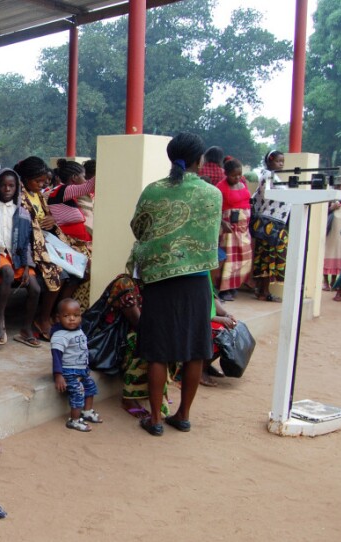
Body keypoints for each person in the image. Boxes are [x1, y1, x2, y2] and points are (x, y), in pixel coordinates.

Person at [130, 132, 222, 436]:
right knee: (195, 349)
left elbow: (138, 227)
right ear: (200, 160)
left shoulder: (153, 191)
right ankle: (183, 415)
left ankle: (155, 419)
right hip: (197, 281)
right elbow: (212, 234)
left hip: (159, 279)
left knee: (158, 350)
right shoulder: (212, 194)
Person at [15, 156, 89, 338]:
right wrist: (39, 225)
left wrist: (51, 220)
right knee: (58, 274)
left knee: (78, 271)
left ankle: (58, 314)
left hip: (48, 241)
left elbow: (48, 217)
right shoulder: (20, 197)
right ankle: (43, 318)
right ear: (25, 179)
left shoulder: (38, 195)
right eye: (38, 181)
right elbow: (21, 225)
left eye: (44, 181)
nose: (42, 184)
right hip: (31, 245)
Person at [0, 168, 40, 346]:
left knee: (35, 289)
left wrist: (27, 266)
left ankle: (26, 329)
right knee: (8, 274)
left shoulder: (23, 213)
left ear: (17, 188)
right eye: (3, 185)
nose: (7, 189)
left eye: (11, 185)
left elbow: (26, 242)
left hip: (18, 257)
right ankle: (0, 318)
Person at [51, 298, 101, 432]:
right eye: (67, 316)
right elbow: (56, 357)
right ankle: (74, 420)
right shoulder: (60, 336)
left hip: (82, 369)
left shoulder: (78, 330)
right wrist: (58, 375)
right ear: (58, 318)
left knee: (90, 387)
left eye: (76, 315)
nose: (72, 319)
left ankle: (87, 411)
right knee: (78, 392)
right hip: (69, 371)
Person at [251, 150, 288, 302]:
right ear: (270, 161)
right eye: (278, 161)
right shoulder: (267, 175)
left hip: (272, 223)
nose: (281, 164)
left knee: (266, 257)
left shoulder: (272, 176)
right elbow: (266, 194)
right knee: (268, 257)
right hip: (269, 225)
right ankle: (263, 291)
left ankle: (262, 290)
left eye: (282, 161)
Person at [216, 157, 252, 301]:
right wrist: (222, 223)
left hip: (243, 228)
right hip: (229, 228)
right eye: (234, 175)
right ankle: (224, 289)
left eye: (239, 174)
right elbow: (215, 207)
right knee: (229, 259)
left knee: (244, 257)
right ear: (226, 173)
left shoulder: (243, 183)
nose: (237, 177)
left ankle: (235, 285)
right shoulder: (221, 187)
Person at [45, 159, 95, 243]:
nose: (86, 180)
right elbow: (88, 187)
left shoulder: (62, 191)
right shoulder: (65, 190)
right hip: (71, 243)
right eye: (84, 177)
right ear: (74, 177)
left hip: (77, 241)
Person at [324, 180, 341, 290]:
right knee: (327, 253)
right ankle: (325, 282)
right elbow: (321, 214)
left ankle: (334, 281)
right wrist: (331, 208)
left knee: (339, 254)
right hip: (330, 233)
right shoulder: (329, 199)